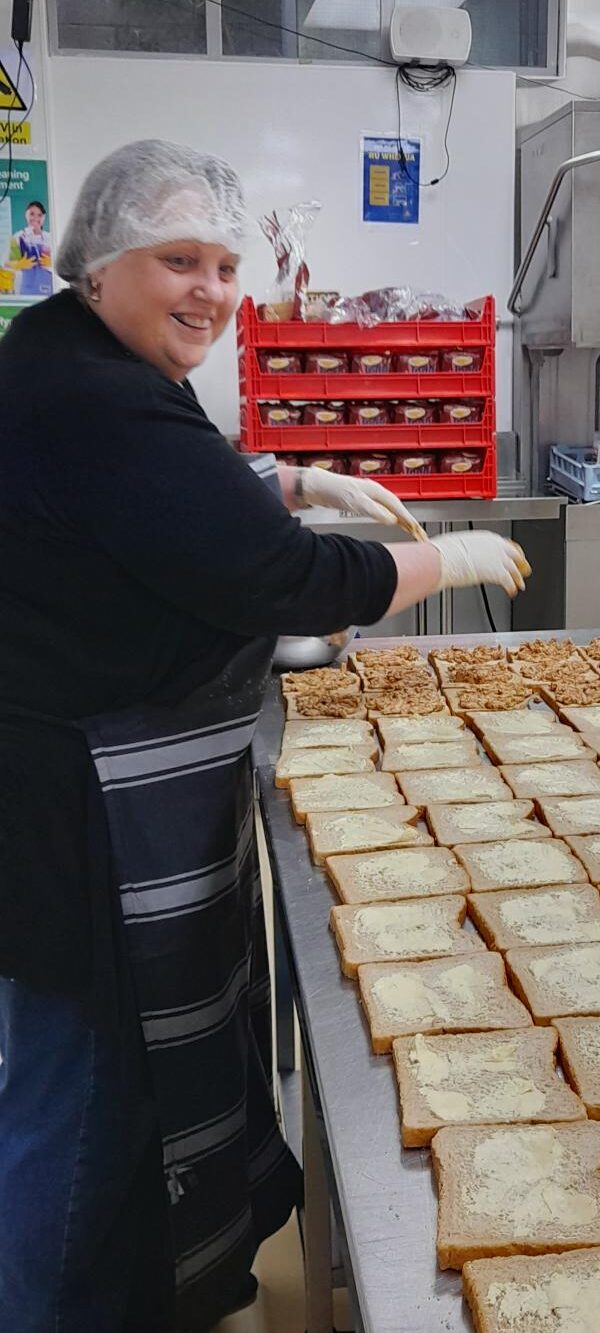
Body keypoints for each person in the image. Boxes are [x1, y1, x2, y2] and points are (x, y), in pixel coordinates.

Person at [0, 139, 529, 1333]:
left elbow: (168, 497)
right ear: (100, 260)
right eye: (179, 260)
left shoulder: (74, 353)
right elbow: (280, 580)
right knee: (77, 1104)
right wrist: (439, 559)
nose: (211, 290)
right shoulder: (91, 392)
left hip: (81, 785)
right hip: (81, 821)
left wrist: (286, 478)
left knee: (88, 1090)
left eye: (227, 265)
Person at [8, 199, 53, 297]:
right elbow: (7, 264)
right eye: (32, 214)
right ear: (26, 215)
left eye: (39, 215)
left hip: (47, 289)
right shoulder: (17, 238)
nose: (36, 218)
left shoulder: (51, 238)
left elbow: (61, 266)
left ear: (44, 217)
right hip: (24, 289)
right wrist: (18, 265)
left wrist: (52, 263)